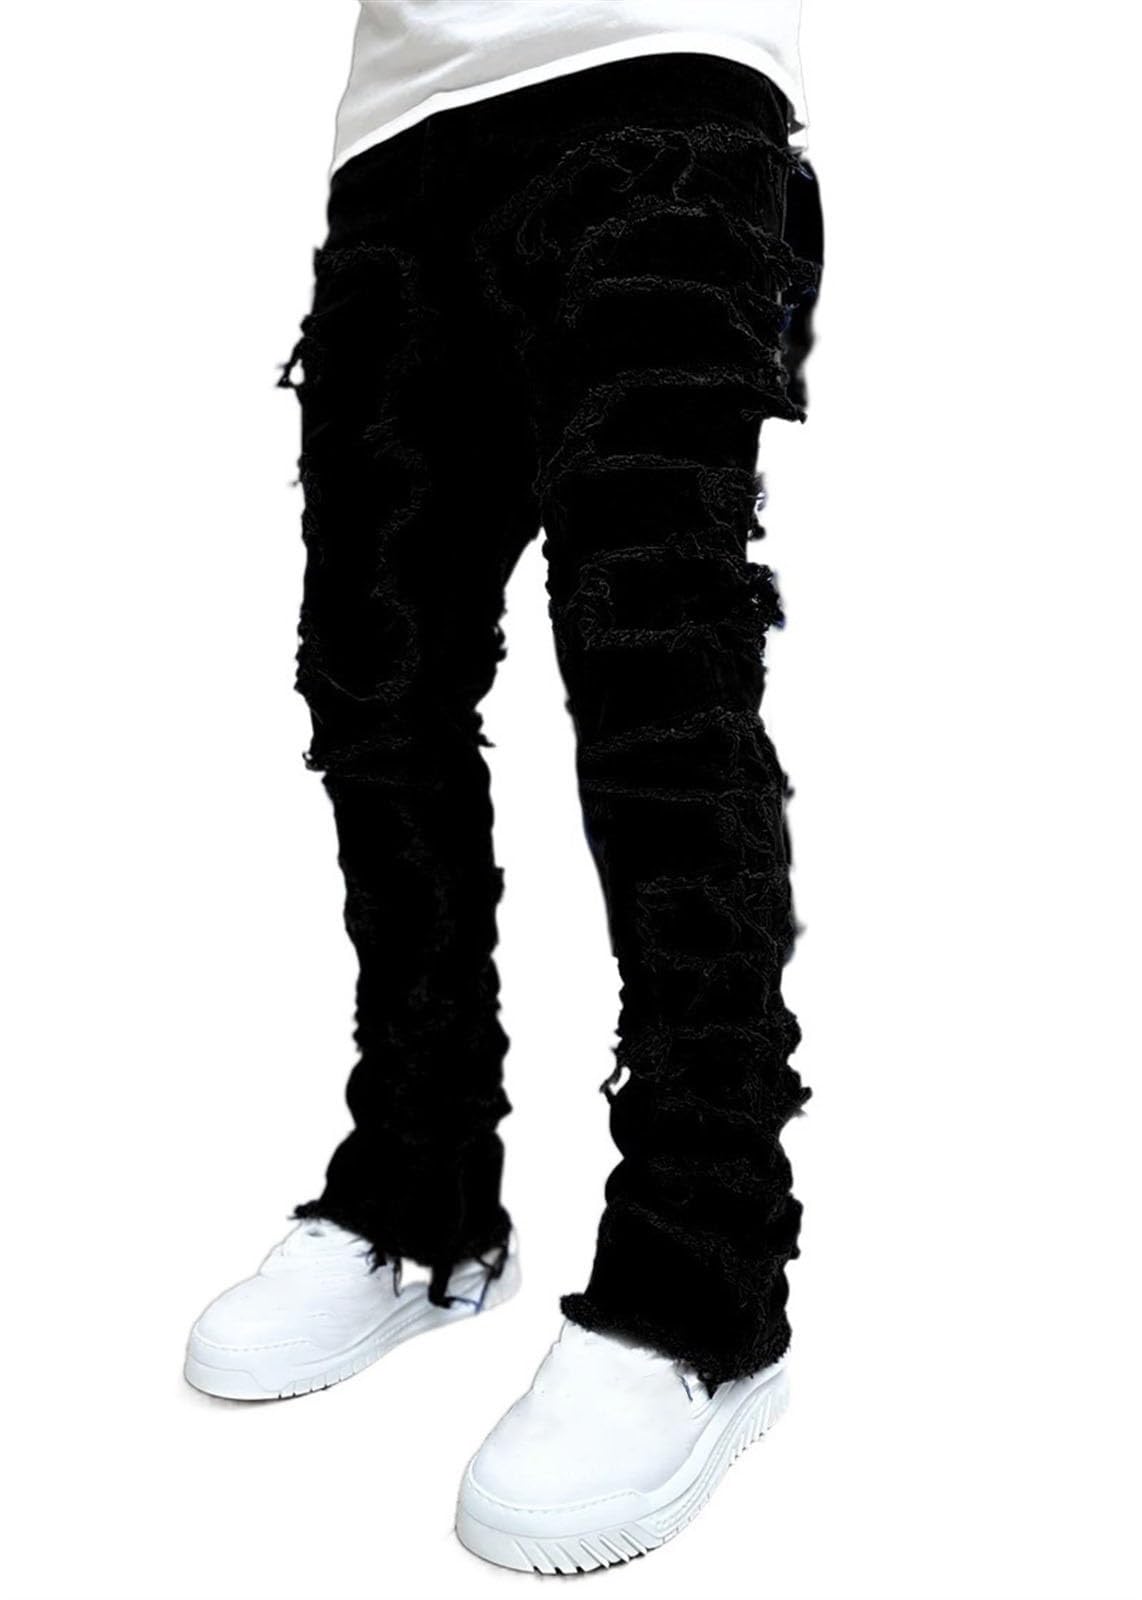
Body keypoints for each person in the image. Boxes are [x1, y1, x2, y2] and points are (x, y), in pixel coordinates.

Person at [185, 0, 823, 1573]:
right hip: (396, 138)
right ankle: (423, 1196)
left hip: (652, 79)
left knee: (657, 697)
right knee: (376, 691)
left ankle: (704, 1276)